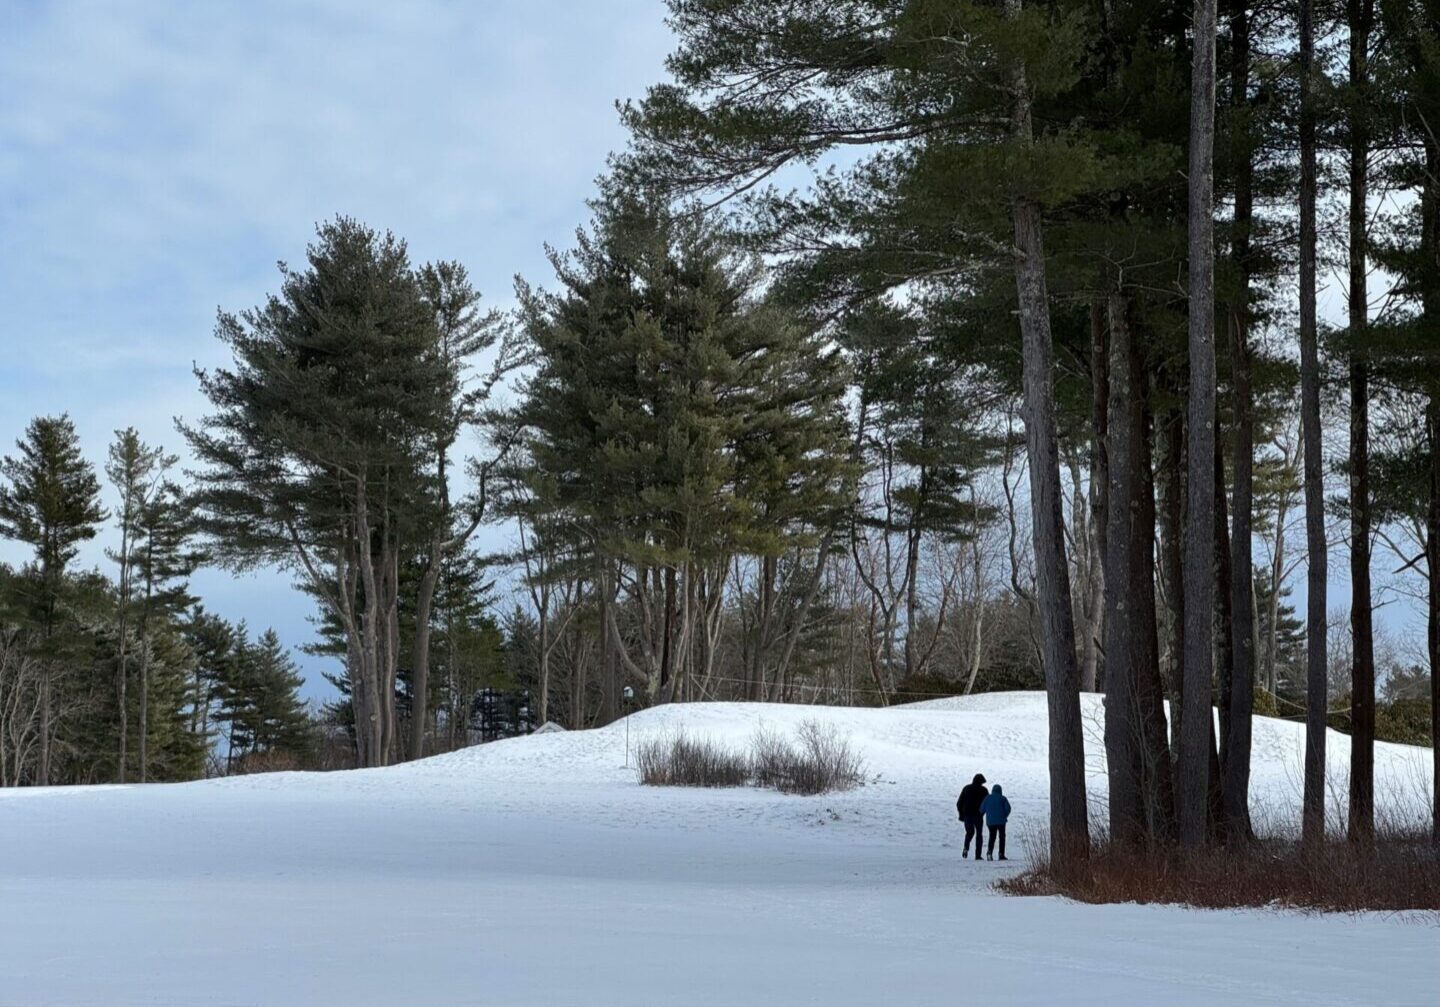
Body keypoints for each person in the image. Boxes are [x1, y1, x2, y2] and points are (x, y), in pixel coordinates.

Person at [955, 773, 988, 860]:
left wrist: (961, 814)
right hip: (978, 815)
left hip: (967, 815)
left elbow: (959, 803)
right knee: (979, 835)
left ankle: (966, 847)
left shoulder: (966, 788)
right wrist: (984, 813)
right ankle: (978, 855)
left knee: (969, 832)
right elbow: (987, 804)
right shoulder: (984, 790)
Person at [980, 783, 1011, 861]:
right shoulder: (1003, 798)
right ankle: (1001, 854)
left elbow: (981, 809)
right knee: (1002, 837)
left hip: (990, 822)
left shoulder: (987, 798)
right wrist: (1004, 815)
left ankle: (989, 853)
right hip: (1001, 821)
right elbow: (1008, 808)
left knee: (992, 837)